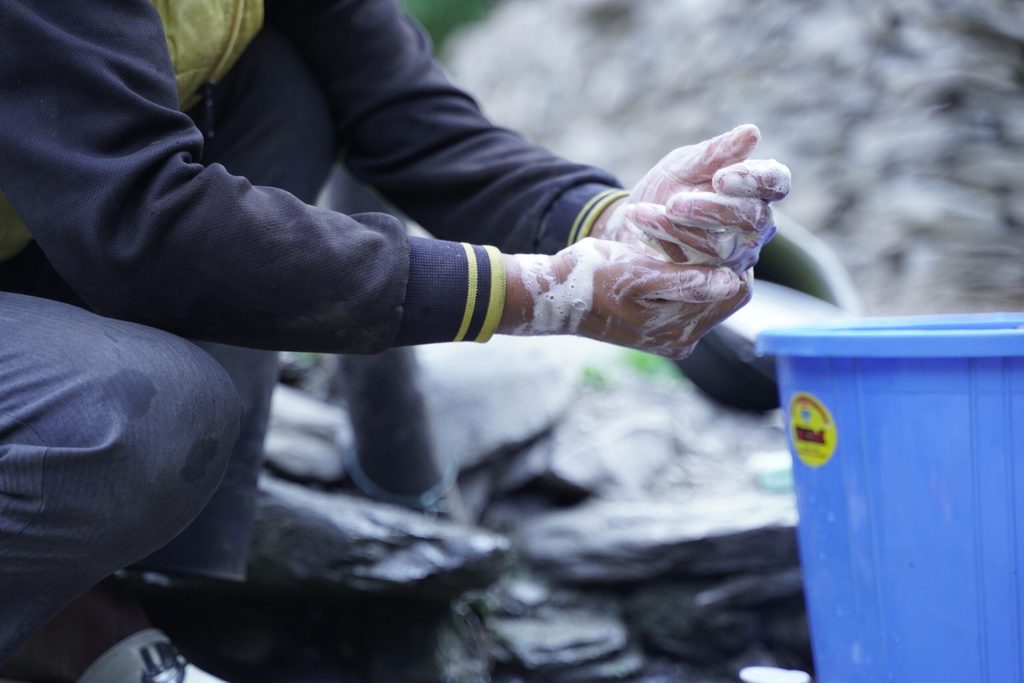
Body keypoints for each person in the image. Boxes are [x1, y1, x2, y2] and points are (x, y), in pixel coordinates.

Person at [0, 1, 790, 680]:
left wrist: (608, 220)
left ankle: (126, 586)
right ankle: (69, 622)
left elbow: (402, 108)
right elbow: (146, 222)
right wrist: (526, 293)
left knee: (285, 82)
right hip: (103, 232)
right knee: (141, 415)